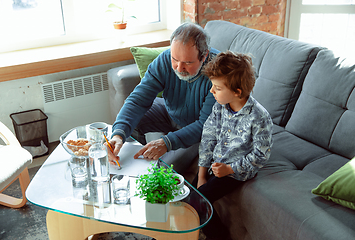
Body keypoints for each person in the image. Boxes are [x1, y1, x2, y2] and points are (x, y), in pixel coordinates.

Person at [107, 22, 219, 173]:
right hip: (170, 113)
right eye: (175, 59)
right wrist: (118, 134)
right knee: (128, 121)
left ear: (204, 55)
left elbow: (205, 125)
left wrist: (167, 142)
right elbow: (138, 99)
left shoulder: (219, 71)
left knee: (165, 169)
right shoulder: (164, 59)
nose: (179, 68)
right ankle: (131, 169)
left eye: (187, 62)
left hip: (200, 131)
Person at [193, 51, 273, 240]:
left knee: (198, 201)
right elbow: (208, 137)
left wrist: (230, 169)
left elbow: (261, 156)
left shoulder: (260, 117)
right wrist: (202, 174)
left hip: (237, 172)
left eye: (217, 88)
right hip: (216, 164)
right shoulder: (219, 106)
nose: (212, 91)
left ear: (237, 91)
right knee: (189, 192)